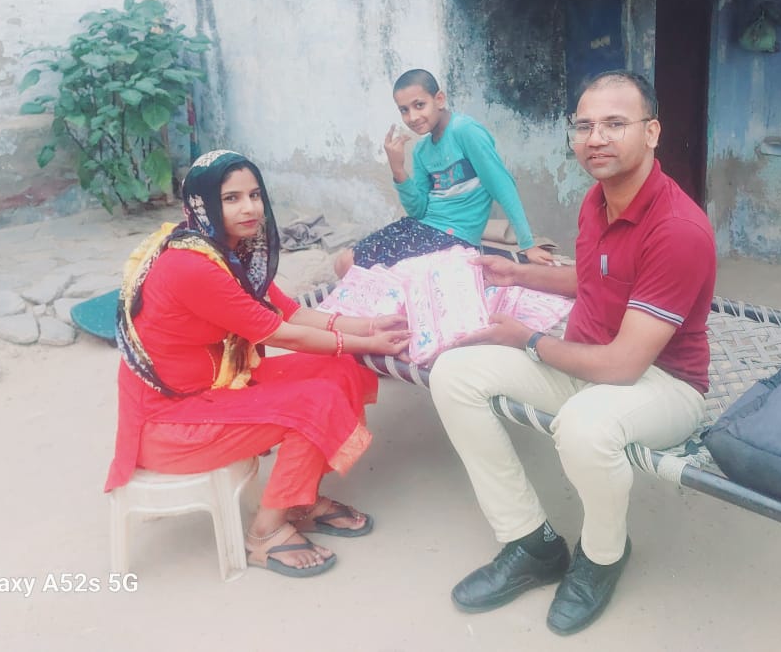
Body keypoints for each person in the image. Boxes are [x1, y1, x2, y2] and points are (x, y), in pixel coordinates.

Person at [429, 71, 716, 634]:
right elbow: (594, 278)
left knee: (585, 426)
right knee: (453, 372)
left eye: (614, 124)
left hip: (662, 385)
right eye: (584, 126)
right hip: (586, 362)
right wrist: (517, 272)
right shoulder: (597, 201)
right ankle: (530, 543)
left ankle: (602, 556)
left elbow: (624, 366)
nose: (595, 138)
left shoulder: (678, 229)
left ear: (652, 132)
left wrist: (529, 340)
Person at [104, 149, 410, 578]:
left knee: (343, 368)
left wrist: (370, 326)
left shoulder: (229, 250)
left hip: (220, 386)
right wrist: (363, 341)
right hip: (170, 421)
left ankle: (299, 499)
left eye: (254, 195)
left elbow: (290, 312)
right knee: (315, 400)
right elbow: (282, 333)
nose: (248, 208)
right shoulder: (191, 265)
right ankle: (265, 534)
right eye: (231, 198)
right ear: (202, 204)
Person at [334, 68, 554, 277]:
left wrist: (528, 245)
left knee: (353, 268)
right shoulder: (421, 150)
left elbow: (502, 186)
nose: (412, 117)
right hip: (421, 227)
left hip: (454, 237)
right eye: (404, 110)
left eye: (419, 105)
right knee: (342, 262)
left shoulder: (465, 131)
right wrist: (398, 169)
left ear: (439, 99)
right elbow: (418, 210)